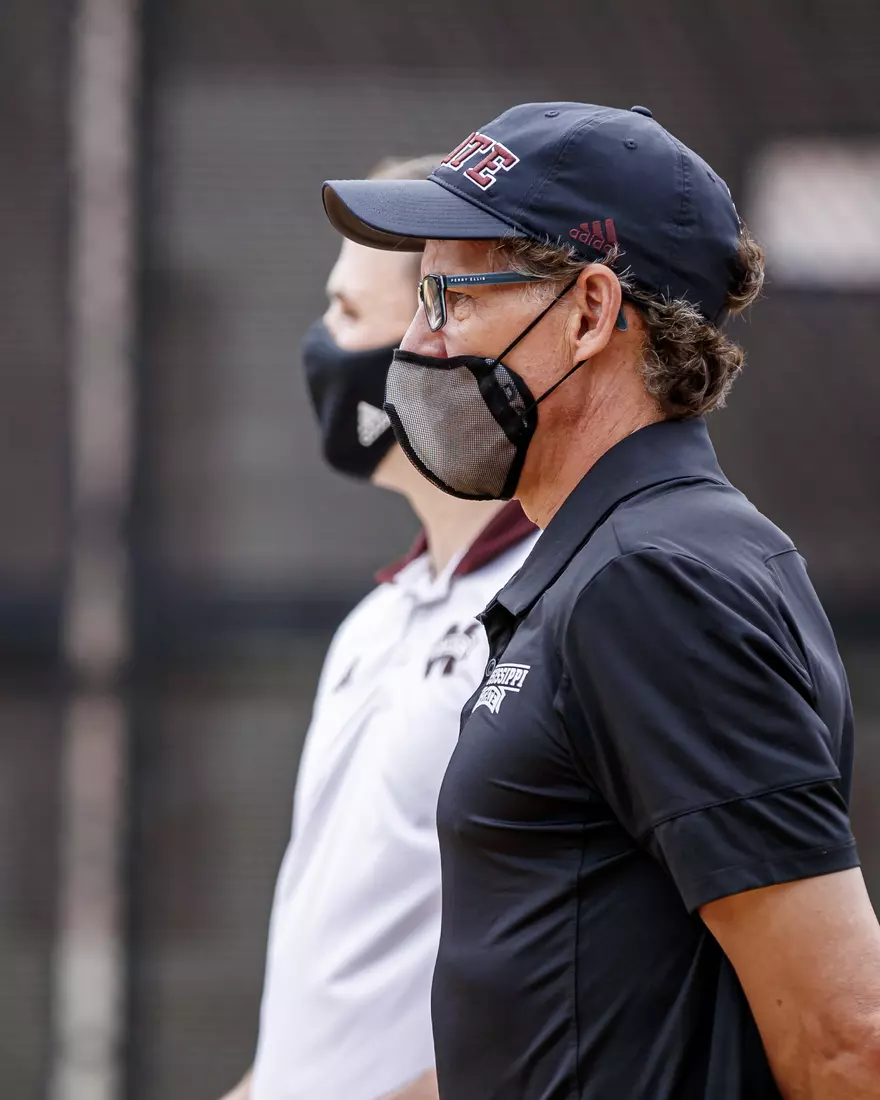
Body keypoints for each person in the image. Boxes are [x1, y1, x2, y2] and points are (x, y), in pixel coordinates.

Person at [320, 104, 880, 1099]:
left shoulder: (650, 582)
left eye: (447, 298)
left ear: (587, 311)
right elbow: (577, 1004)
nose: (414, 344)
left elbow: (847, 1039)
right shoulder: (615, 560)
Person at [219, 154, 538, 1100]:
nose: (320, 345)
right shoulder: (374, 622)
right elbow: (331, 995)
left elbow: (612, 984)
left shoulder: (566, 607)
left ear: (445, 331)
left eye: (349, 316)